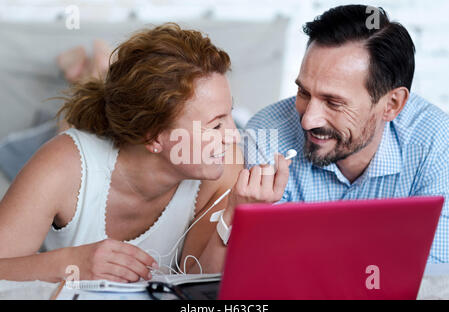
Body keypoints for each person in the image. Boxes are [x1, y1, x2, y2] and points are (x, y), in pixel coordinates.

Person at [0, 23, 291, 283]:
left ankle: (98, 68)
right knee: (59, 121)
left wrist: (235, 218)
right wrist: (70, 263)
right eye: (215, 126)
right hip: (91, 143)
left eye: (228, 116)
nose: (234, 136)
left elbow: (196, 285)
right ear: (152, 136)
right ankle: (87, 69)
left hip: (135, 131)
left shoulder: (222, 169)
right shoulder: (64, 165)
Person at [246, 5, 449, 263]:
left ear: (392, 104)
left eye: (333, 102)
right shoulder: (266, 133)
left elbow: (433, 276)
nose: (308, 120)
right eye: (304, 93)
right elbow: (265, 266)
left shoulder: (437, 144)